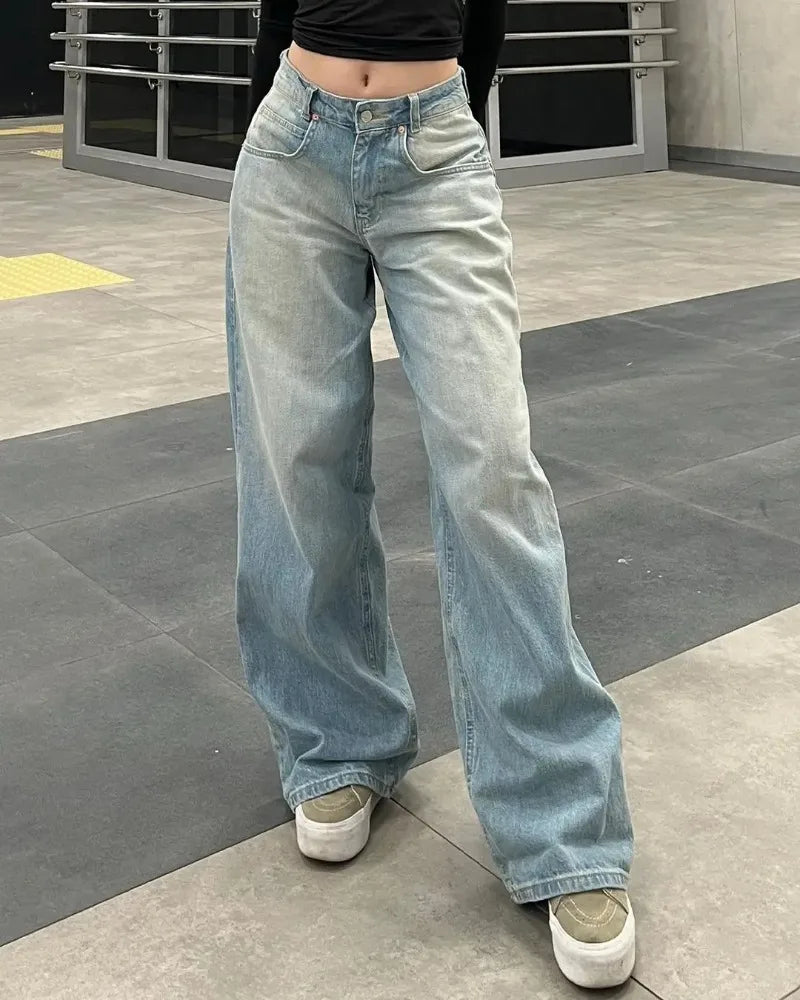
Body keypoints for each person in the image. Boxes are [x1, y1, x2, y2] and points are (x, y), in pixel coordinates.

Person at [227, 0, 636, 988]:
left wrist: (435, 118)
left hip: (436, 146)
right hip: (292, 143)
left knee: (493, 465)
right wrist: (284, 123)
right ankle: (337, 742)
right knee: (295, 460)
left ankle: (562, 821)